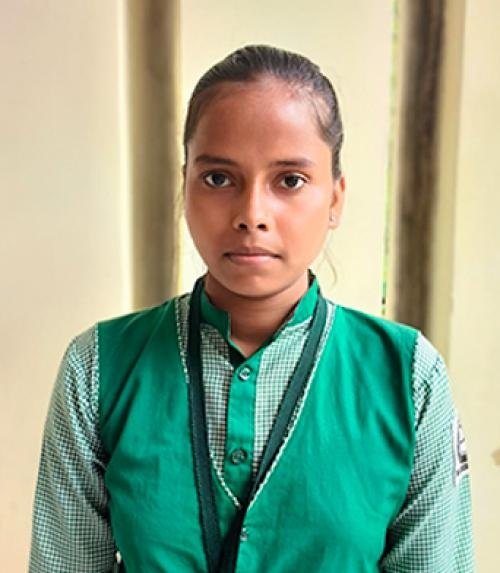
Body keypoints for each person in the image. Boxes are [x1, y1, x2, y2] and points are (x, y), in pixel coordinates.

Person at [29, 45, 473, 572]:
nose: (252, 214)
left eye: (290, 180)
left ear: (335, 198)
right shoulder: (98, 368)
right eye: (219, 178)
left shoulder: (408, 377)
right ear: (186, 185)